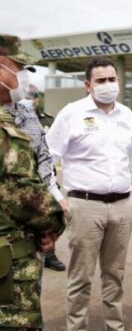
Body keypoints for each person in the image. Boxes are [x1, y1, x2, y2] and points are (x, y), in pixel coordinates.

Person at [46, 57, 132, 331]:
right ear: (88, 85)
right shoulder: (72, 113)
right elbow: (45, 160)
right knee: (80, 278)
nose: (108, 85)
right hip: (84, 206)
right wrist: (59, 199)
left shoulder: (126, 115)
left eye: (112, 79)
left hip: (123, 206)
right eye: (101, 80)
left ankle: (114, 326)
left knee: (115, 275)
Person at [0, 33, 65, 330]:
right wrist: (54, 221)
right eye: (19, 68)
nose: (23, 78)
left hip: (25, 242)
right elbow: (21, 192)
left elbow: (42, 161)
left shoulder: (26, 115)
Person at [18, 88, 66, 271]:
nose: (27, 100)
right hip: (23, 182)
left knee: (45, 219)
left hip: (44, 177)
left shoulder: (46, 120)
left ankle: (49, 255)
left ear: (37, 100)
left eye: (31, 97)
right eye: (25, 97)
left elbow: (48, 152)